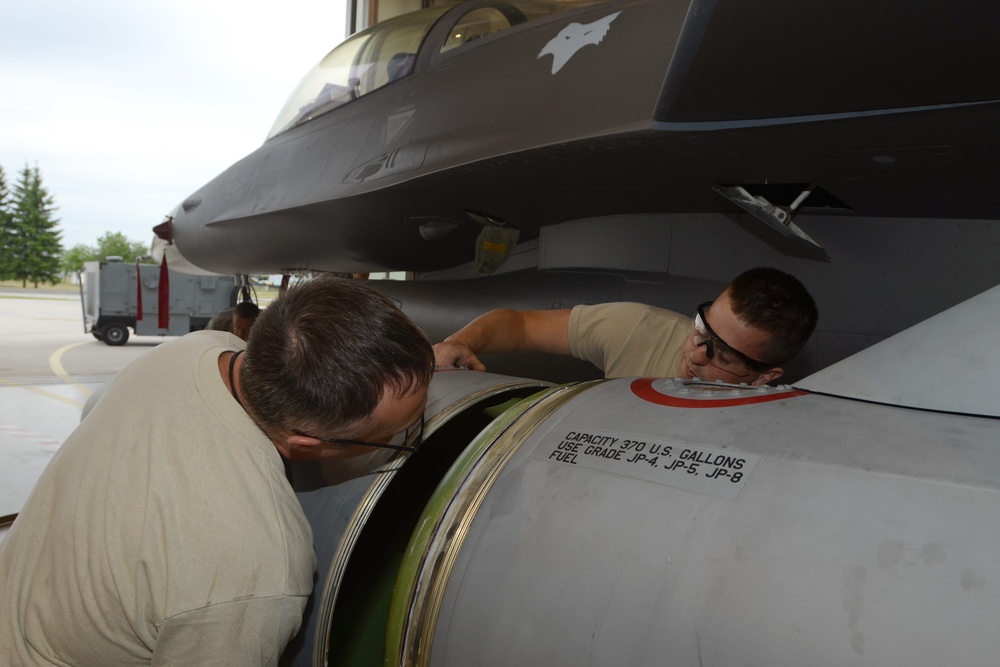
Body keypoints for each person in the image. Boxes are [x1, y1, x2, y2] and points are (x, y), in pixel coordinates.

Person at [0, 275, 434, 665]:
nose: (405, 437)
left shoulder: (194, 351)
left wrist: (401, 372)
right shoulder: (258, 569)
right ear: (307, 442)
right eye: (397, 435)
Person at [434, 267, 817, 386]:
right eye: (702, 329)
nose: (696, 354)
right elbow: (518, 325)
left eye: (726, 356)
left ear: (765, 377)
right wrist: (460, 342)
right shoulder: (639, 329)